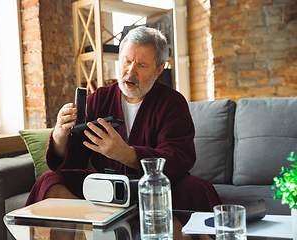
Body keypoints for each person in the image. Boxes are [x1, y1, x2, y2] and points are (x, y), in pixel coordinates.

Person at [25, 26, 221, 212]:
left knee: (197, 188)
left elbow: (179, 158)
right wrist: (60, 135)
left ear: (159, 69)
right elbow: (75, 161)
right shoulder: (99, 99)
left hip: (155, 189)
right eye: (127, 61)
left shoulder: (172, 103)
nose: (130, 71)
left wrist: (126, 154)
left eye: (142, 65)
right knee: (49, 181)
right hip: (106, 187)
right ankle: (93, 229)